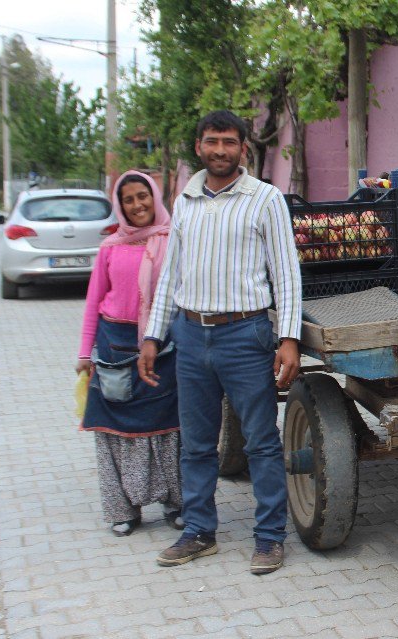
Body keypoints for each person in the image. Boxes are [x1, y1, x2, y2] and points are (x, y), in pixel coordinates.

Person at [138, 110, 303, 575]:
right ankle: (198, 532)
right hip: (190, 335)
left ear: (243, 149)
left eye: (229, 142)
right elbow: (171, 273)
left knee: (262, 442)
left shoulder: (265, 199)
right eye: (212, 141)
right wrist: (154, 333)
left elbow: (286, 274)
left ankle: (270, 538)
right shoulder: (185, 200)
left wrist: (288, 338)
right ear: (199, 146)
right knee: (195, 443)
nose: (220, 150)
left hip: (244, 334)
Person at [76, 170, 183, 537]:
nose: (137, 205)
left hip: (165, 347)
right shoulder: (110, 247)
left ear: (155, 197)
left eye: (143, 196)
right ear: (119, 206)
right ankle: (123, 509)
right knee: (116, 429)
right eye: (128, 199)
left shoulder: (173, 241)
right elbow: (93, 304)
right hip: (114, 349)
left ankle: (177, 503)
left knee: (171, 424)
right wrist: (84, 354)